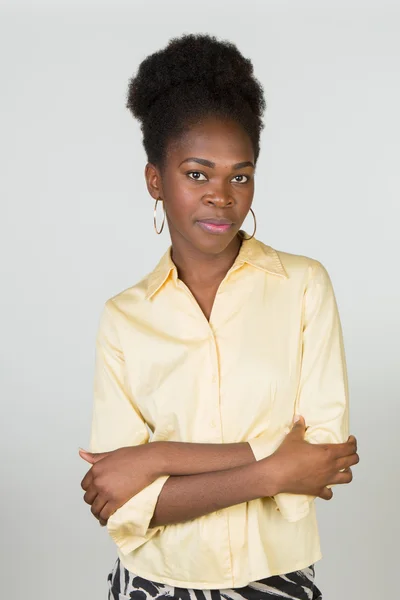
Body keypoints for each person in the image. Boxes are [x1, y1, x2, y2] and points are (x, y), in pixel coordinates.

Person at [79, 33, 359, 600]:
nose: (221, 196)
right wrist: (273, 467)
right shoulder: (124, 318)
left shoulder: (304, 287)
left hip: (277, 582)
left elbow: (320, 460)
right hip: (152, 585)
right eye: (197, 174)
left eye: (240, 175)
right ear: (156, 180)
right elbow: (122, 501)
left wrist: (156, 458)